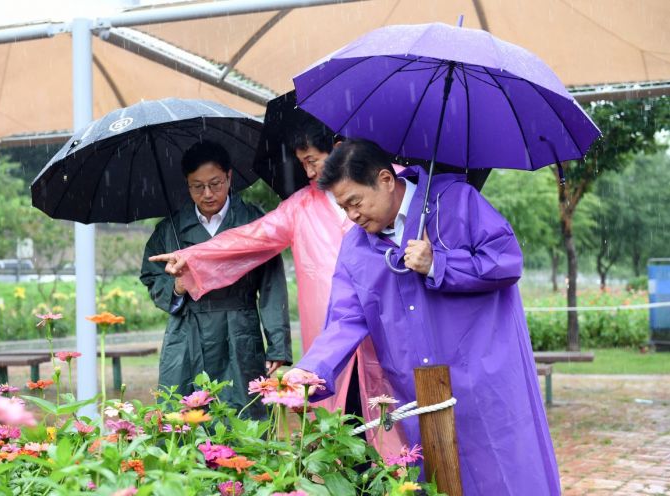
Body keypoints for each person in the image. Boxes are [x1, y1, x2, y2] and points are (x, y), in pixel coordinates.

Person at [285, 139, 561, 495]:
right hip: (420, 391)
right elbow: (345, 318)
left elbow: (506, 260)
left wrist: (439, 264)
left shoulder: (457, 202)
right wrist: (312, 369)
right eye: (343, 208)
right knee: (439, 481)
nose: (352, 216)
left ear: (385, 179)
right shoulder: (356, 247)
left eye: (355, 202)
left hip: (484, 381)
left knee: (505, 477)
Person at [148, 119, 405, 455]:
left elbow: (270, 286)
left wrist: (277, 345)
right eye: (303, 164)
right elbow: (251, 239)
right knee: (341, 428)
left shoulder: (389, 184)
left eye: (312, 161)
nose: (309, 172)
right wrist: (193, 256)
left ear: (338, 151)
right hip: (332, 333)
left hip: (391, 328)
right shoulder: (300, 206)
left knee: (400, 421)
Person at [140, 140, 291, 419]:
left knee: (244, 418)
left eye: (215, 183)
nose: (208, 194)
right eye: (197, 186)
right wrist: (177, 286)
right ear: (187, 184)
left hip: (239, 329)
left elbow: (272, 286)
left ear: (229, 177)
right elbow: (150, 277)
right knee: (182, 419)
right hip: (187, 332)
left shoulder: (252, 221)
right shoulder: (170, 229)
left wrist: (278, 344)